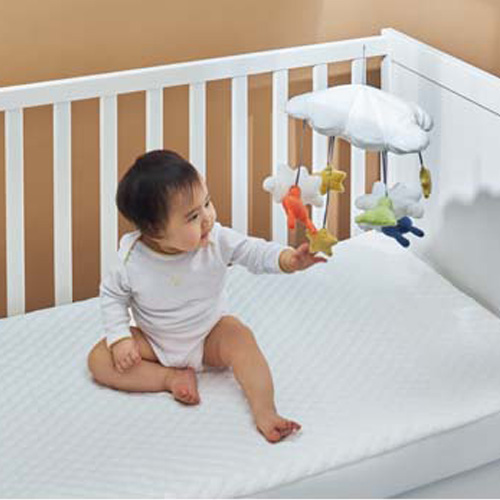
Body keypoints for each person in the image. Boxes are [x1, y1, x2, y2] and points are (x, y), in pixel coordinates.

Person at [87, 149, 326, 443]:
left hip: (209, 335)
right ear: (155, 231)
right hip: (154, 340)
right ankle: (168, 378)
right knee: (100, 359)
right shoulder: (131, 260)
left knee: (240, 336)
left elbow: (253, 251)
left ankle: (266, 411)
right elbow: (112, 295)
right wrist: (120, 338)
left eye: (207, 203)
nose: (207, 219)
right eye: (192, 216)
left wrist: (287, 259)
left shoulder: (216, 239)